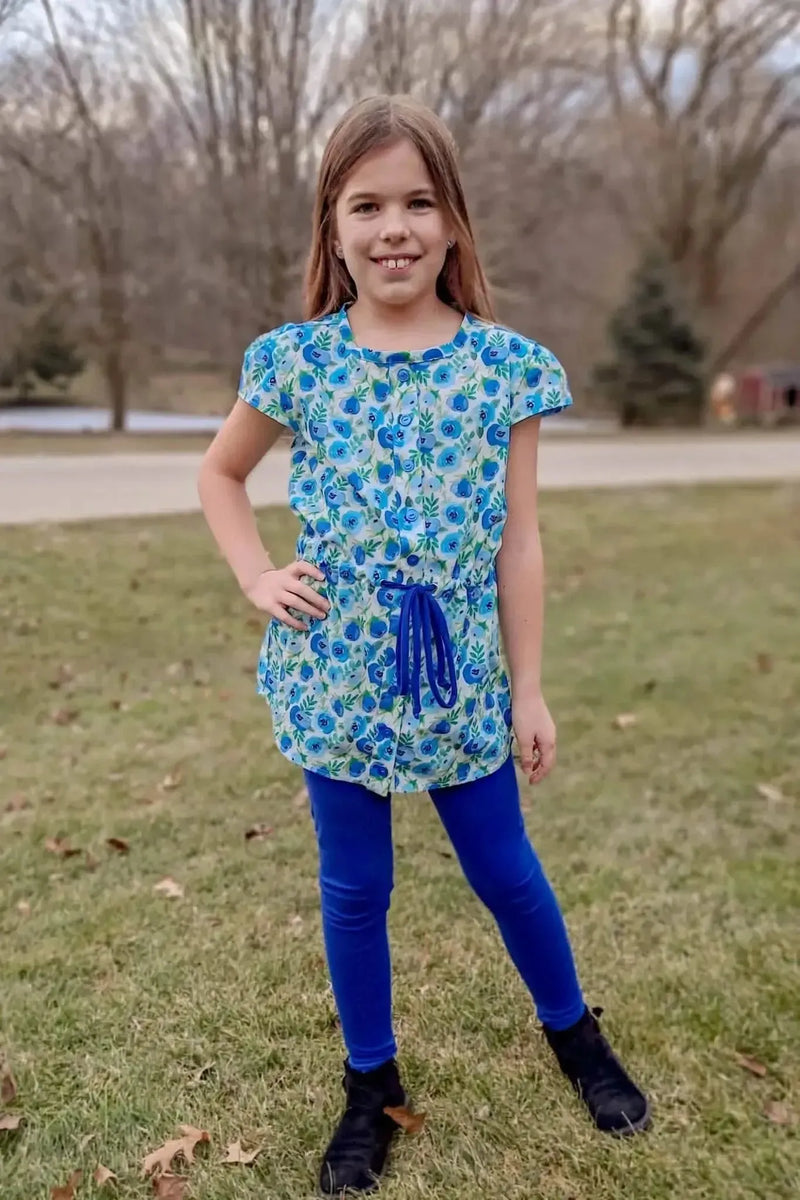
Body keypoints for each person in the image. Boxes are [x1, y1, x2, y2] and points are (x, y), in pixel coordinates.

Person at [198, 94, 650, 1196]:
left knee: (505, 871)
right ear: (332, 224)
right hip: (337, 676)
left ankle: (575, 1035)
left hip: (461, 682)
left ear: (452, 223)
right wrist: (256, 574)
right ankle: (370, 1083)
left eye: (417, 202)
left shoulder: (505, 369)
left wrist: (529, 689)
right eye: (366, 205)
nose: (392, 227)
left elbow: (519, 542)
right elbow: (219, 474)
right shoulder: (294, 363)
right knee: (355, 887)